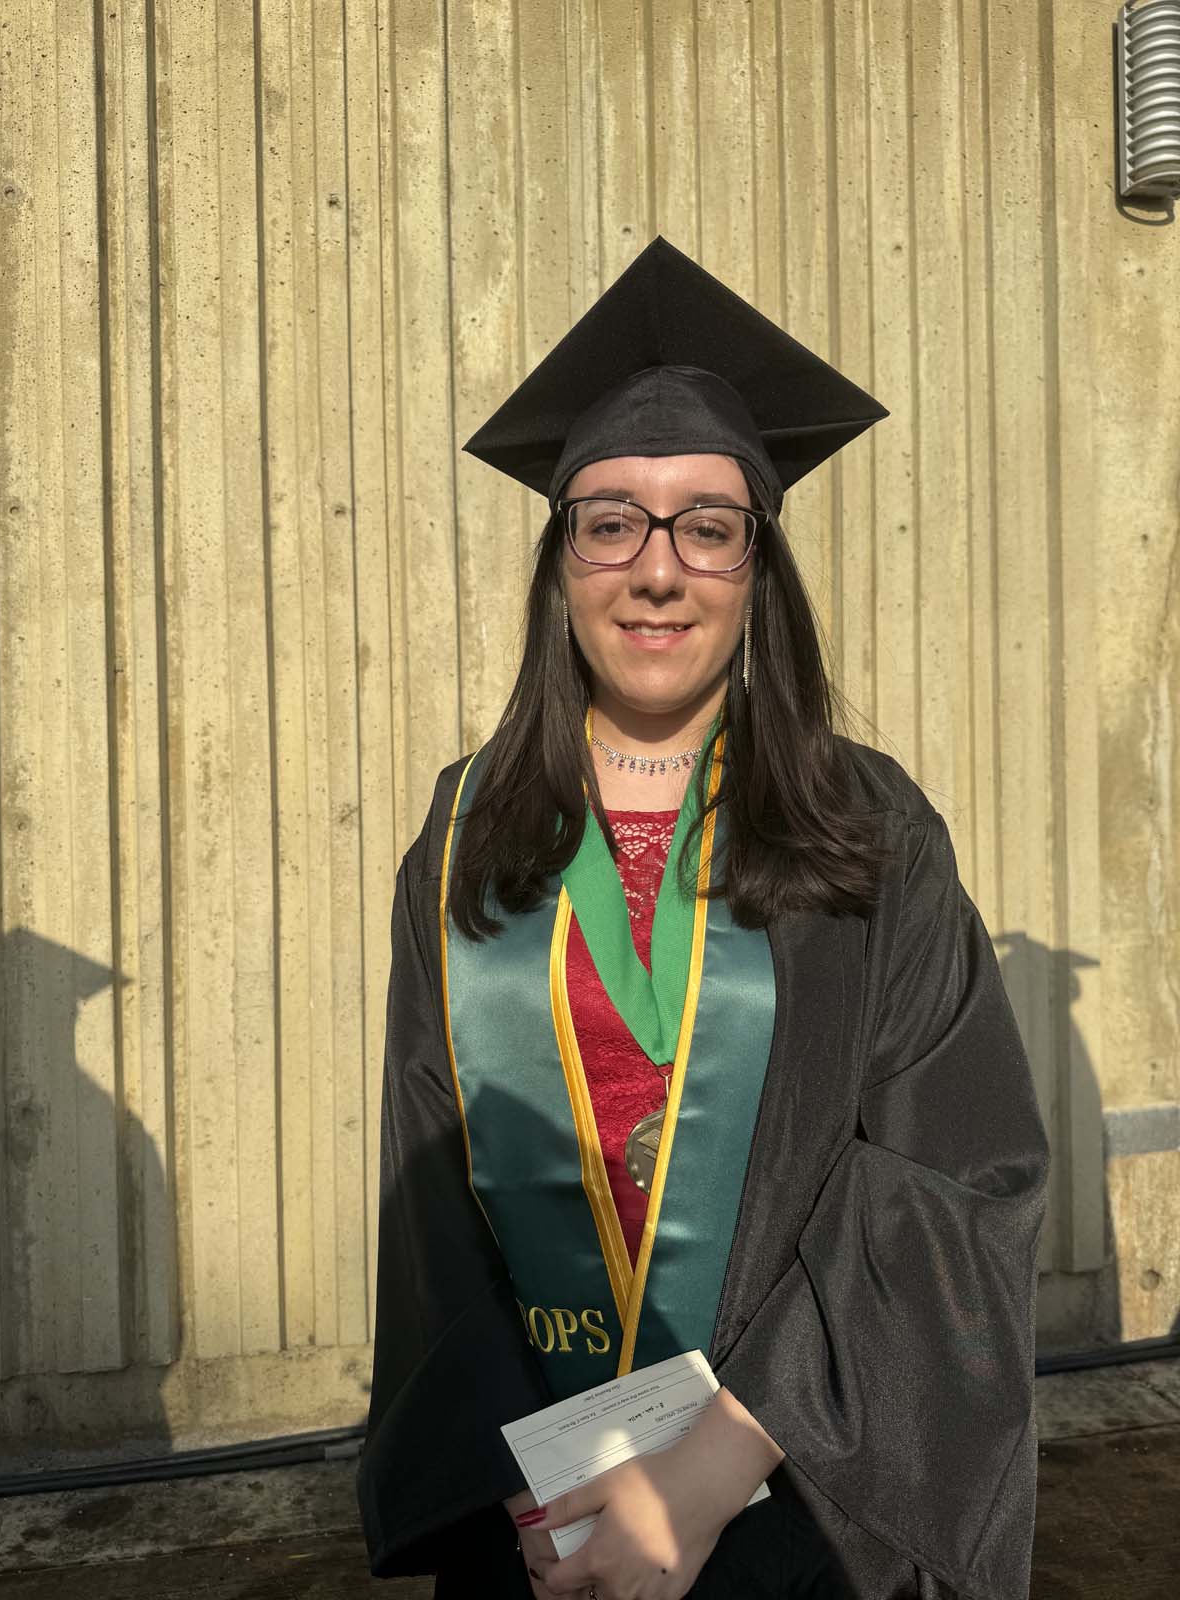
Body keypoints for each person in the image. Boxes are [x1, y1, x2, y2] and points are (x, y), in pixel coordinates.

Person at [356, 238, 1049, 1600]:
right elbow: (431, 1191)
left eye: (707, 526)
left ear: (755, 570)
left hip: (797, 1485)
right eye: (610, 519)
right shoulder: (465, 837)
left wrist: (718, 1459)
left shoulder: (870, 833)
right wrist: (533, 1475)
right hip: (536, 1498)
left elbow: (952, 1180)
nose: (656, 569)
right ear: (562, 567)